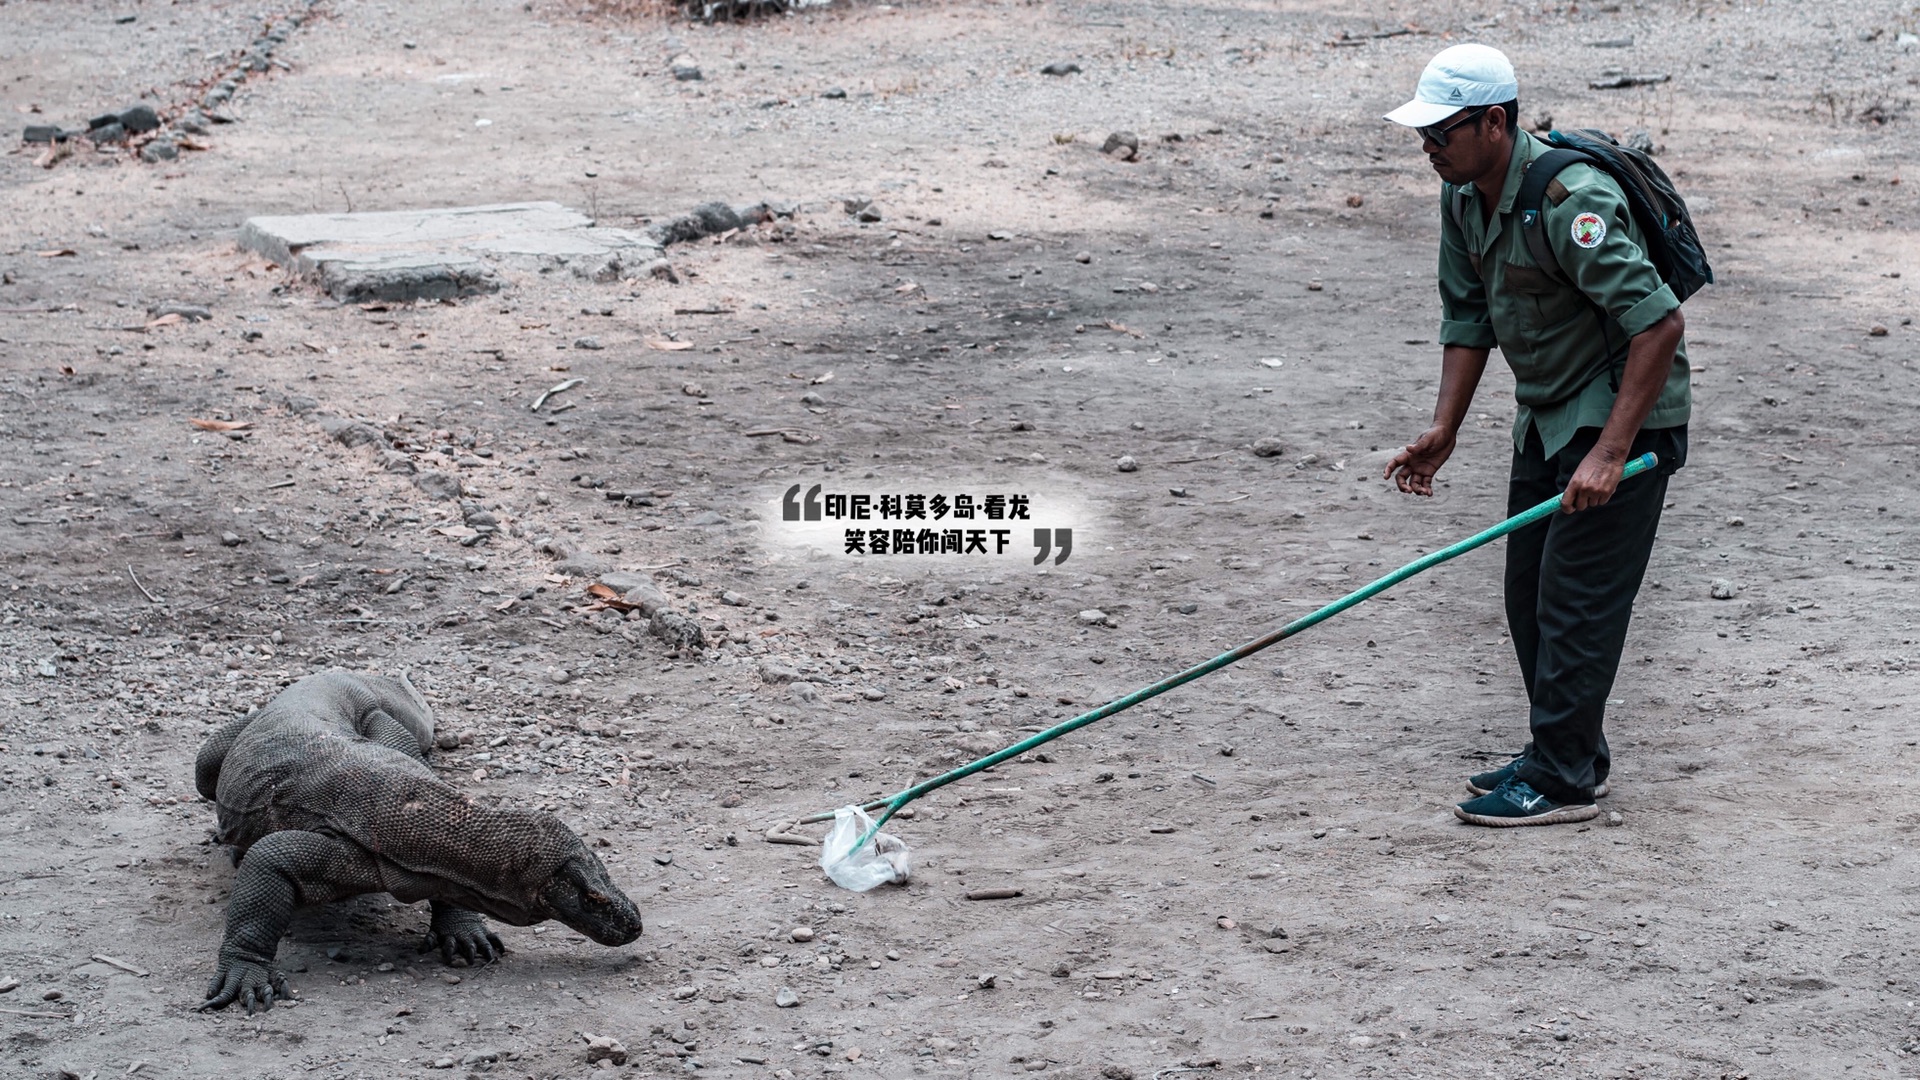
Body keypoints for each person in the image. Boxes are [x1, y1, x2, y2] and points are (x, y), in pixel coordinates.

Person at [1380, 44, 1691, 827]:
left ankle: (1561, 782)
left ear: (1494, 121)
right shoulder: (1462, 196)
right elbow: (1469, 317)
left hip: (1625, 422)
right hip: (1548, 416)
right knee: (1528, 595)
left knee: (1576, 602)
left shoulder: (1568, 201)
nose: (1428, 149)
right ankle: (1569, 750)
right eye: (1421, 135)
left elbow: (1658, 322)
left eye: (1441, 133)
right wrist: (1444, 430)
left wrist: (1613, 453)